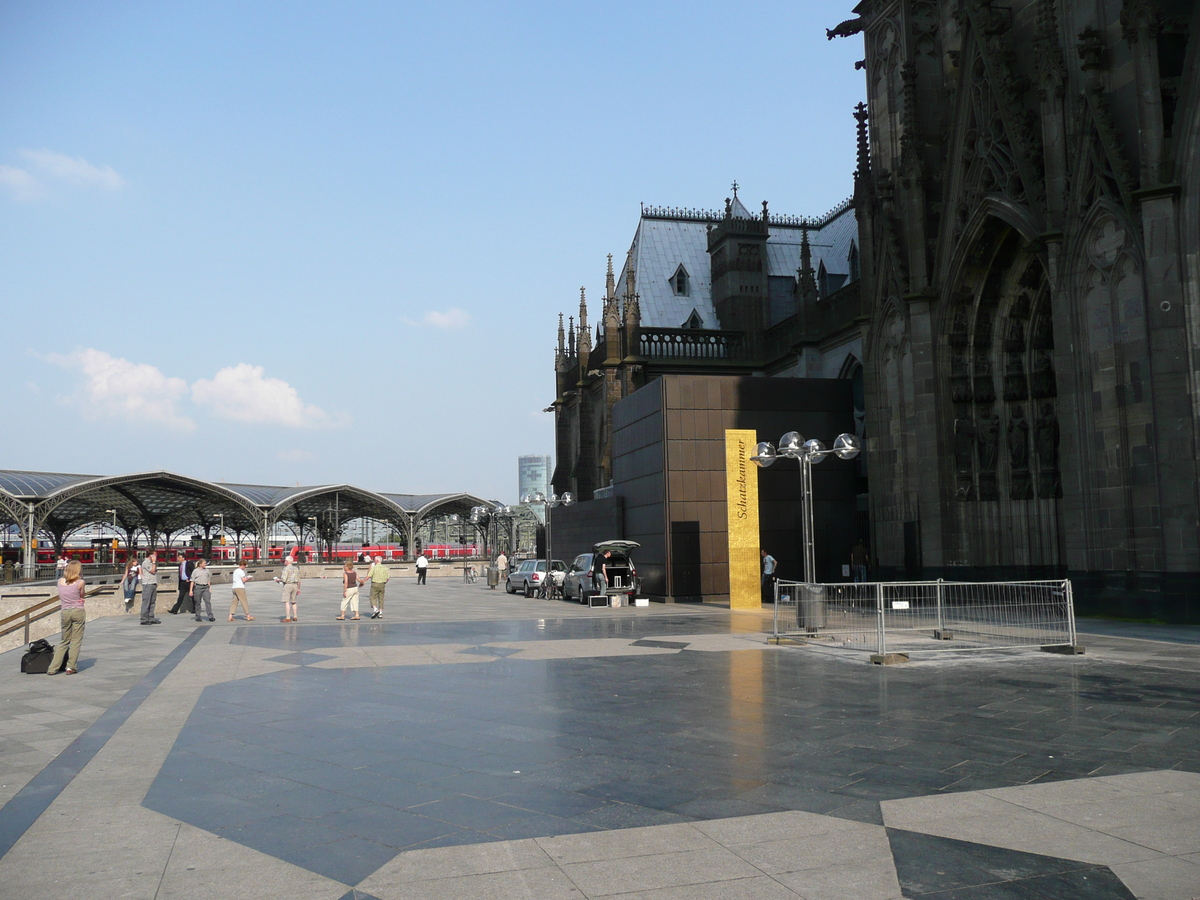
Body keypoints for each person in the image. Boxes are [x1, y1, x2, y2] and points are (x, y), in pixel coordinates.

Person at [48, 560, 87, 675]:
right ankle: (70, 667)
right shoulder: (80, 582)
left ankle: (52, 668)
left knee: (64, 641)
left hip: (64, 611)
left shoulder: (60, 581)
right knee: (76, 640)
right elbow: (82, 595)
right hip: (77, 611)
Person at [274, 556, 300, 622]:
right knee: (294, 602)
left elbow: (283, 579)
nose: (284, 562)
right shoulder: (296, 569)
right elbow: (299, 580)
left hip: (288, 585)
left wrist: (277, 580)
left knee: (286, 601)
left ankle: (288, 617)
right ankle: (295, 616)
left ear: (287, 562)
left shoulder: (286, 569)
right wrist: (299, 588)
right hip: (295, 585)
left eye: (285, 561)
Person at [139, 551, 161, 625]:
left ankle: (151, 617)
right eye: (155, 555)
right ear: (150, 555)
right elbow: (152, 571)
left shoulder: (151, 563)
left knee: (152, 602)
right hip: (147, 584)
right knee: (146, 602)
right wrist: (154, 562)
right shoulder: (146, 562)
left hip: (153, 583)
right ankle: (144, 619)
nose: (156, 557)